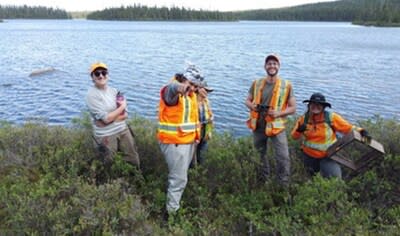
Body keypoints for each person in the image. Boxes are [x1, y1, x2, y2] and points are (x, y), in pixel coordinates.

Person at [157, 64, 203, 215]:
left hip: (187, 142)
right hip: (175, 143)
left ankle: (173, 205)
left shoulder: (191, 95)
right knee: (178, 179)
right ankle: (171, 214)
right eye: (191, 84)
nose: (193, 88)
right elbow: (170, 89)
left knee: (180, 176)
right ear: (183, 79)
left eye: (195, 85)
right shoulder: (172, 91)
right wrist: (180, 87)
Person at [291, 92, 370, 179]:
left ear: (323, 107)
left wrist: (361, 131)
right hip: (309, 156)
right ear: (309, 105)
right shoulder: (303, 119)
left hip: (328, 156)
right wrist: (299, 130)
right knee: (312, 178)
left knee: (334, 179)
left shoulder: (331, 117)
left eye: (319, 104)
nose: (316, 106)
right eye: (313, 103)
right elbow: (294, 137)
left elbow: (347, 128)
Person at [245, 54, 296, 185]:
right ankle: (263, 181)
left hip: (276, 127)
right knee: (259, 155)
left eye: (274, 64)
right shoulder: (256, 83)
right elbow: (247, 100)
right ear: (265, 66)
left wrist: (278, 113)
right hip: (259, 126)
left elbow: (293, 108)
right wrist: (253, 107)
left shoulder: (287, 85)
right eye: (269, 64)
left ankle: (283, 185)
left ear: (278, 66)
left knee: (283, 157)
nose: (272, 66)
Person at [85, 62, 140, 168]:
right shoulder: (91, 95)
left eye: (103, 72)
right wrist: (122, 107)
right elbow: (106, 118)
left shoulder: (115, 91)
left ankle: (134, 182)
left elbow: (124, 116)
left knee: (133, 160)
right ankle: (108, 184)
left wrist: (107, 120)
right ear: (92, 77)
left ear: (107, 74)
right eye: (97, 74)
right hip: (105, 135)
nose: (101, 76)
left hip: (123, 130)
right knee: (107, 164)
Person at [190, 81, 214, 167]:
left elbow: (210, 117)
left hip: (204, 133)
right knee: (192, 158)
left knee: (202, 156)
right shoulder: (192, 102)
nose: (207, 93)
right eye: (205, 90)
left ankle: (200, 174)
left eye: (208, 91)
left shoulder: (206, 101)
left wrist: (209, 131)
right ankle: (192, 174)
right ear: (199, 89)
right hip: (195, 133)